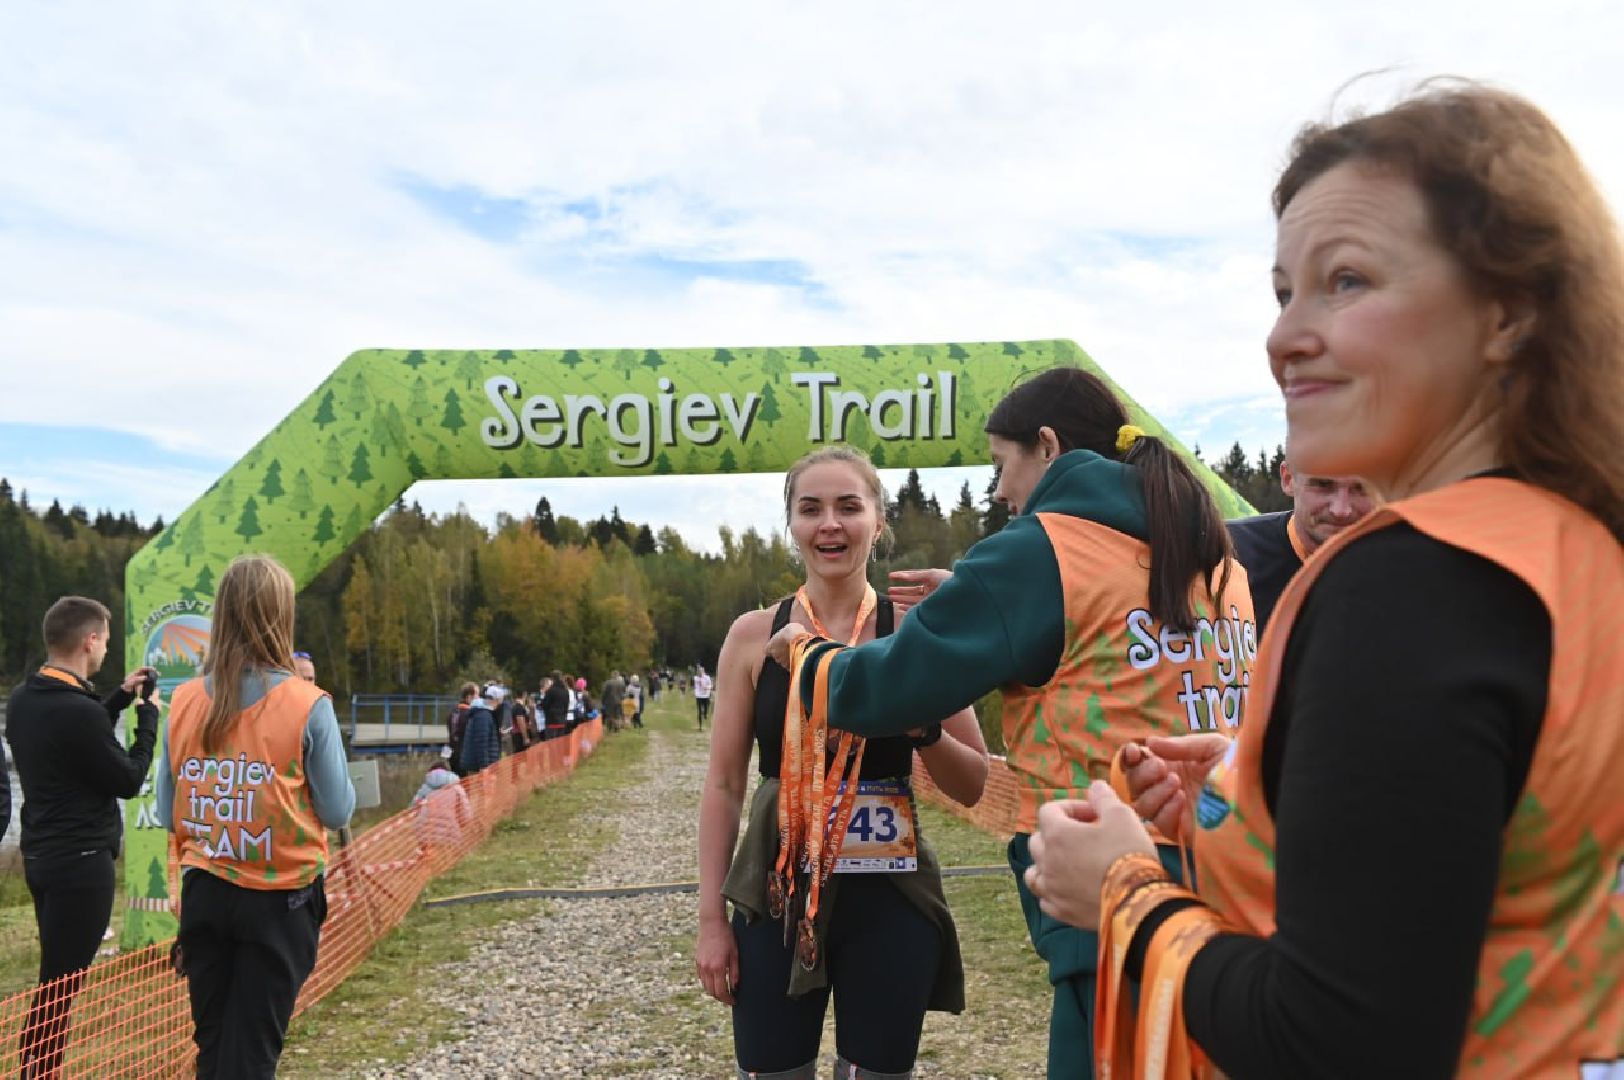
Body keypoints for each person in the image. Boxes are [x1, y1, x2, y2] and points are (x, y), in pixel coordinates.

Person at [1025, 83, 1624, 1079]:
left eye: (1345, 281)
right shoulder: (1573, 548)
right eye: (1281, 292)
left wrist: (1124, 889)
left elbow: (1343, 1041)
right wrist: (1288, 781)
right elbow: (1503, 838)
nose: (1283, 337)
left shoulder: (1411, 584)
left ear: (1507, 312)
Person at [766, 371, 1256, 1080]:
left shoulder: (1042, 549)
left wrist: (807, 655)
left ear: (1047, 447)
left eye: (1002, 464)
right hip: (1226, 882)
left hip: (1108, 902)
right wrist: (979, 602)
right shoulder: (1210, 552)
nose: (998, 491)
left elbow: (883, 690)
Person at [699, 446, 991, 1080]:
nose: (829, 523)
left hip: (889, 898)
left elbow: (973, 782)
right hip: (777, 894)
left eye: (848, 507)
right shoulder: (752, 635)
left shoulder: (916, 629)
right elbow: (723, 785)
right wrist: (710, 922)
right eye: (811, 509)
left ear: (878, 522)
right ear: (793, 526)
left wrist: (920, 727)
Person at [154, 554, 355, 1079]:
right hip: (280, 900)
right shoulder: (307, 704)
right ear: (280, 617)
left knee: (215, 1046)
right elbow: (337, 809)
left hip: (205, 890)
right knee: (253, 1055)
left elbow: (164, 810)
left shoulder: (183, 702)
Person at [5, 595, 160, 1078]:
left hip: (43, 860)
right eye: (105, 641)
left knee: (54, 980)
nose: (106, 650)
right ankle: (40, 1071)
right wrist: (147, 718)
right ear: (90, 640)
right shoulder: (79, 712)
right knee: (61, 986)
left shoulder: (23, 700)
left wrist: (115, 697)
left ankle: (36, 1067)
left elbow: (71, 741)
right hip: (83, 863)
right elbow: (129, 780)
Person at [1226, 461, 1375, 632]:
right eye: (1323, 485)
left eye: (1361, 488)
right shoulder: (1226, 550)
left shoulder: (1403, 568)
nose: (1340, 510)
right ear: (1288, 478)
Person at [456, 690, 501, 775]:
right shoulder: (483, 715)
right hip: (479, 767)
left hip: (477, 764)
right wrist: (484, 766)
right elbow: (481, 742)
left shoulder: (482, 713)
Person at [541, 671, 571, 741]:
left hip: (551, 721)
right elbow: (566, 705)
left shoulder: (550, 691)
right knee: (560, 743)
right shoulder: (565, 691)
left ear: (552, 679)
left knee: (551, 744)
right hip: (562, 720)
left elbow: (545, 705)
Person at [692, 665, 713, 730]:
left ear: (704, 671)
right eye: (699, 671)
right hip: (698, 696)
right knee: (699, 710)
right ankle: (700, 726)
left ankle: (705, 714)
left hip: (706, 696)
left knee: (706, 707)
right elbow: (694, 684)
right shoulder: (696, 678)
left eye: (701, 671)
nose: (700, 672)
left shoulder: (707, 678)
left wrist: (706, 688)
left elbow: (710, 685)